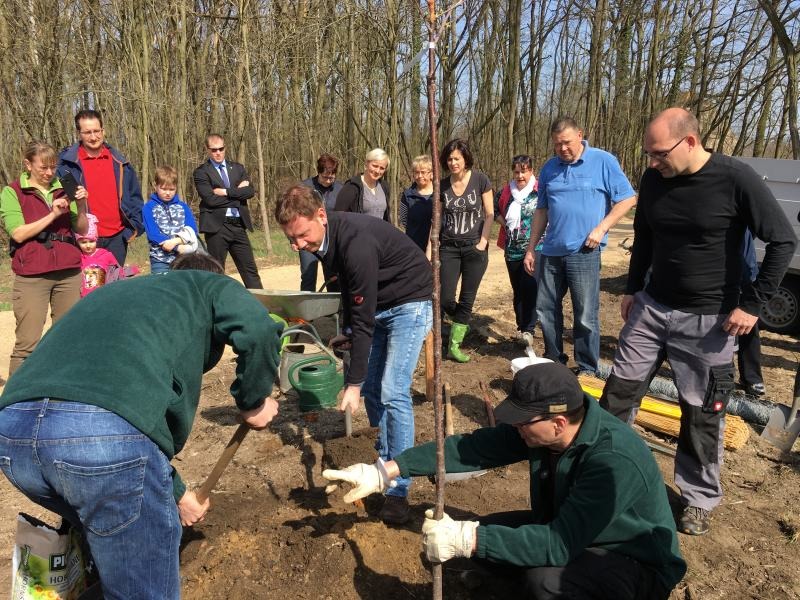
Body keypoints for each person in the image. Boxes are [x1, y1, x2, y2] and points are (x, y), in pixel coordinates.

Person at [0, 252, 283, 599]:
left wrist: (177, 495)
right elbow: (259, 328)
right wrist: (253, 400)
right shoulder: (207, 284)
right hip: (96, 444)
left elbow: (122, 423)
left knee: (107, 537)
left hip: (14, 434)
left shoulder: (118, 294)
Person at [323, 361, 686, 600]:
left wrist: (467, 539)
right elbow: (471, 448)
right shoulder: (542, 431)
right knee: (488, 540)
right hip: (578, 532)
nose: (516, 428)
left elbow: (558, 544)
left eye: (522, 421)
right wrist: (385, 470)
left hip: (633, 561)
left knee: (541, 581)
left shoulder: (612, 460)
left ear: (557, 423)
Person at [599, 108, 796, 536]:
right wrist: (633, 288)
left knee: (702, 413)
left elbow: (783, 240)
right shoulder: (654, 181)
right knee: (617, 395)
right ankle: (605, 475)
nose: (651, 162)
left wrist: (754, 304)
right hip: (652, 309)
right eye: (648, 154)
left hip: (710, 321)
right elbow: (646, 235)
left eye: (658, 153)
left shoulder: (736, 178)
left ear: (689, 142)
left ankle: (698, 498)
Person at [276, 184, 432, 525]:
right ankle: (383, 464)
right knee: (375, 391)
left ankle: (398, 486)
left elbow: (364, 317)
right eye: (291, 239)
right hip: (377, 302)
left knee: (392, 390)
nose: (297, 245)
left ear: (321, 216)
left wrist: (353, 382)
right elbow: (348, 289)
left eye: (301, 236)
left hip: (409, 300)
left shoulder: (355, 241)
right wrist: (346, 330)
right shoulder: (325, 239)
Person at [523, 117, 636, 376]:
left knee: (585, 313)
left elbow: (628, 198)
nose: (562, 149)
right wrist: (531, 248)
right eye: (557, 144)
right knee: (546, 309)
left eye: (567, 143)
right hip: (550, 251)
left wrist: (601, 228)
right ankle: (555, 360)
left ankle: (587, 367)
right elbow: (541, 210)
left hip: (584, 251)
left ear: (580, 136)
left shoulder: (603, 161)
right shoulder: (550, 168)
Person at [1, 141, 89, 375]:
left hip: (68, 272)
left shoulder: (63, 188)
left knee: (67, 338)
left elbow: (81, 228)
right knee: (27, 344)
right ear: (28, 164)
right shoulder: (13, 192)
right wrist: (52, 214)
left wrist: (81, 206)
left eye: (53, 167)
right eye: (43, 167)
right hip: (32, 275)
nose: (50, 173)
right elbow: (18, 233)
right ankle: (14, 402)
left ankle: (63, 392)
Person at [57, 109, 144, 265]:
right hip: (83, 240)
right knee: (88, 288)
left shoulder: (120, 162)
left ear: (103, 131)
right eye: (87, 132)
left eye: (97, 131)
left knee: (114, 288)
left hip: (117, 238)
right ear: (79, 134)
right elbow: (57, 197)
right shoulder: (65, 165)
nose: (93, 137)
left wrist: (133, 228)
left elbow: (135, 197)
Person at [438, 138, 494, 362]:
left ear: (465, 159)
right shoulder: (442, 185)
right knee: (444, 298)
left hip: (474, 249)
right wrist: (430, 249)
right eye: (450, 159)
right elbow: (437, 219)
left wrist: (483, 242)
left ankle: (454, 345)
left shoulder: (480, 180)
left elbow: (490, 214)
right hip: (449, 248)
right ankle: (462, 320)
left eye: (457, 158)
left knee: (467, 298)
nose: (453, 163)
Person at [193, 133, 263, 288]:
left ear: (225, 147)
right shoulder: (201, 172)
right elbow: (210, 200)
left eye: (221, 149)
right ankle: (216, 308)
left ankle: (260, 308)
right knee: (216, 273)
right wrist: (238, 193)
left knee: (250, 270)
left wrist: (226, 192)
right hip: (217, 228)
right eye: (214, 150)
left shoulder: (238, 168)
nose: (218, 153)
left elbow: (250, 192)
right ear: (207, 150)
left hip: (238, 225)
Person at [495, 154, 542, 345]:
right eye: (516, 172)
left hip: (535, 247)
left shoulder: (540, 191)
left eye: (524, 171)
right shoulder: (506, 192)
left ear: (531, 171)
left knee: (531, 287)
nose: (520, 176)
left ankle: (529, 329)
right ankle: (522, 327)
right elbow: (493, 210)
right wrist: (504, 223)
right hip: (512, 248)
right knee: (518, 291)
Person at [144, 165, 200, 274]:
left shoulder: (183, 207)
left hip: (184, 258)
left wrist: (176, 242)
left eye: (171, 189)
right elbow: (153, 234)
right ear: (156, 186)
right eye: (164, 189)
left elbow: (192, 229)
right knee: (161, 288)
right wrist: (176, 247)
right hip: (160, 260)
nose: (168, 193)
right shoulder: (149, 207)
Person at [299, 153, 342, 291]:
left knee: (333, 278)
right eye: (325, 177)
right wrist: (294, 239)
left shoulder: (341, 189)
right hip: (308, 239)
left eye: (332, 177)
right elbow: (294, 215)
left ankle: (334, 310)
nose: (329, 180)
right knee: (308, 276)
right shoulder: (304, 188)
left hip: (330, 240)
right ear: (318, 172)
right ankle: (306, 310)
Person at [737, 231, 766, 396]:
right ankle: (722, 373)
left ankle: (752, 378)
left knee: (749, 327)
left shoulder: (746, 206)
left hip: (745, 271)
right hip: (715, 275)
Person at [334, 148, 390, 221]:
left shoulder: (384, 187)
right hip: (357, 232)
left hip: (380, 232)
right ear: (366, 163)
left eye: (382, 168)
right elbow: (338, 216)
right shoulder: (352, 187)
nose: (377, 171)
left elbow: (386, 217)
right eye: (375, 166)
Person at [76, 213, 119, 296]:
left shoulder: (107, 256)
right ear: (78, 242)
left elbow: (117, 273)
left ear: (96, 240)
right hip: (85, 298)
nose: (88, 245)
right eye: (83, 242)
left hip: (104, 296)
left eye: (91, 241)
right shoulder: (78, 258)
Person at [399, 155, 434, 252]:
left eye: (423, 172)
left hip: (437, 246)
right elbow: (404, 219)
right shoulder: (407, 195)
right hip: (414, 245)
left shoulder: (439, 194)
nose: (420, 176)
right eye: (417, 172)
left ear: (431, 173)